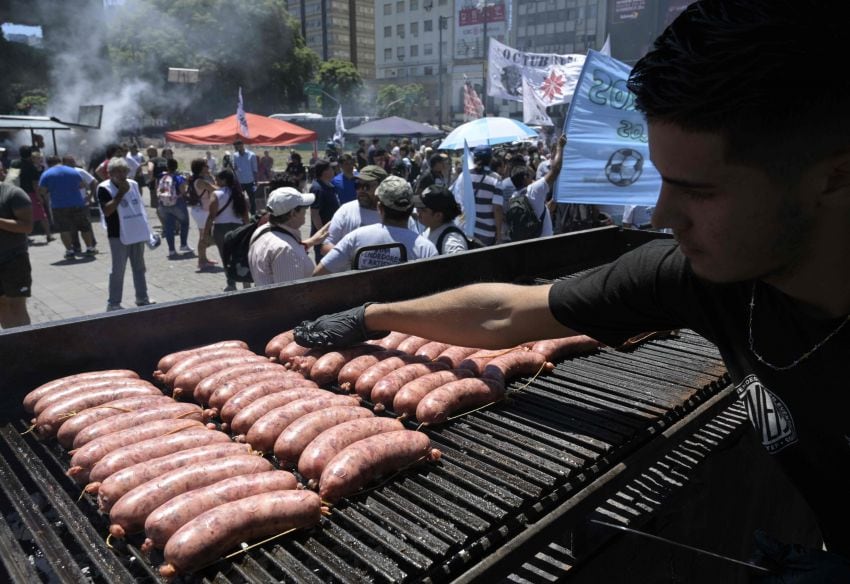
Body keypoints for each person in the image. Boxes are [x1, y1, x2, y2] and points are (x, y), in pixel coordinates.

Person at [293, 2, 850, 582]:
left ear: (834, 176)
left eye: (700, 191)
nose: (662, 214)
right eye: (663, 181)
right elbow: (508, 310)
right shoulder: (701, 276)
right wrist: (371, 315)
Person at [313, 176, 437, 274]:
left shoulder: (356, 237)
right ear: (411, 209)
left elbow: (318, 274)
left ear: (379, 208)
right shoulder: (426, 248)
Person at [97, 157, 154, 311]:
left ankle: (142, 298)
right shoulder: (104, 188)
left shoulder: (134, 184)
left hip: (136, 232)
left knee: (139, 268)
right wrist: (120, 193)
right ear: (110, 173)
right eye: (118, 171)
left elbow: (140, 208)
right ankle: (113, 303)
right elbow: (107, 210)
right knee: (118, 270)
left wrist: (148, 231)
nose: (122, 174)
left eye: (125, 171)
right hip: (118, 234)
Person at [248, 187, 329, 285]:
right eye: (304, 207)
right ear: (293, 213)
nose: (306, 211)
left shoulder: (261, 230)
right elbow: (290, 294)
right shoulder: (285, 250)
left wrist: (312, 241)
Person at [506, 133, 566, 240]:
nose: (532, 177)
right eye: (529, 175)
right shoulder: (534, 189)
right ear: (525, 177)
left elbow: (531, 213)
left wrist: (546, 208)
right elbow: (556, 169)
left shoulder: (513, 197)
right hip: (543, 241)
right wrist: (560, 147)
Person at [319, 165, 388, 257]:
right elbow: (326, 246)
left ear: (382, 187)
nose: (361, 190)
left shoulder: (393, 214)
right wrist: (356, 260)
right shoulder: (345, 210)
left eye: (366, 186)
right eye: (358, 185)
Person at [39, 156, 97, 260]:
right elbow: (82, 185)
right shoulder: (73, 171)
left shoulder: (46, 174)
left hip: (59, 206)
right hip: (77, 203)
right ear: (60, 162)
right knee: (84, 227)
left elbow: (42, 191)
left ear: (48, 164)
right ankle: (89, 248)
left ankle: (70, 251)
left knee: (64, 229)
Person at [204, 168, 250, 292]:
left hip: (221, 229)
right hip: (238, 228)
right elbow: (246, 216)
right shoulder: (240, 194)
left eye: (217, 178)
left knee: (226, 257)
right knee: (241, 256)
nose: (215, 180)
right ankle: (246, 282)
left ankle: (231, 284)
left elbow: (211, 216)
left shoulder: (216, 194)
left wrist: (205, 234)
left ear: (224, 180)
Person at [0, 162, 33, 328]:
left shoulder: (13, 194)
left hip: (13, 259)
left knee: (17, 305)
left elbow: (26, 226)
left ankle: (26, 347)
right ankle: (10, 345)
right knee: (2, 305)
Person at [413, 184, 468, 255]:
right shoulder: (431, 228)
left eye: (423, 210)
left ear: (438, 215)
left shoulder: (451, 242)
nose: (417, 211)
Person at [468, 145, 504, 246]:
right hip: (487, 232)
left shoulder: (466, 175)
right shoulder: (495, 178)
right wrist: (499, 234)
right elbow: (497, 209)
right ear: (490, 159)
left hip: (468, 228)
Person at [158, 158, 193, 258]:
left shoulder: (161, 176)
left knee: (169, 227)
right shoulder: (178, 178)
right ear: (176, 167)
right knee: (184, 223)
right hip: (177, 204)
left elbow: (160, 190)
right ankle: (183, 245)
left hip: (164, 204)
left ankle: (172, 250)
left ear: (167, 167)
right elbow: (182, 192)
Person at [18, 146, 52, 244]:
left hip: (20, 192)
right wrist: (39, 196)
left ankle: (25, 237)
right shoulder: (31, 167)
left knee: (24, 215)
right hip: (31, 193)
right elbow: (35, 184)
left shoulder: (16, 163)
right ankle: (48, 235)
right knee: (42, 215)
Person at [188, 158, 218, 270]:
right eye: (206, 166)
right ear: (201, 168)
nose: (208, 167)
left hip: (199, 210)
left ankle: (204, 259)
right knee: (203, 236)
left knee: (203, 235)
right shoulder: (201, 181)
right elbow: (216, 189)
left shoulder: (196, 179)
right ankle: (201, 261)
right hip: (202, 212)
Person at [309, 159, 340, 262]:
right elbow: (315, 214)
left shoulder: (329, 185)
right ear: (324, 171)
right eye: (331, 168)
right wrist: (323, 235)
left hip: (332, 233)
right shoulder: (317, 188)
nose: (334, 170)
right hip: (324, 237)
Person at [231, 140, 258, 214]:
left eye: (237, 146)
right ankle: (241, 214)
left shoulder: (251, 155)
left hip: (250, 181)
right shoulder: (235, 155)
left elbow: (255, 169)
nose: (236, 148)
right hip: (239, 182)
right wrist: (234, 167)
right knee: (238, 199)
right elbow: (235, 167)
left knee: (252, 199)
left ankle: (253, 214)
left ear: (242, 145)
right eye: (235, 147)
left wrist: (256, 181)